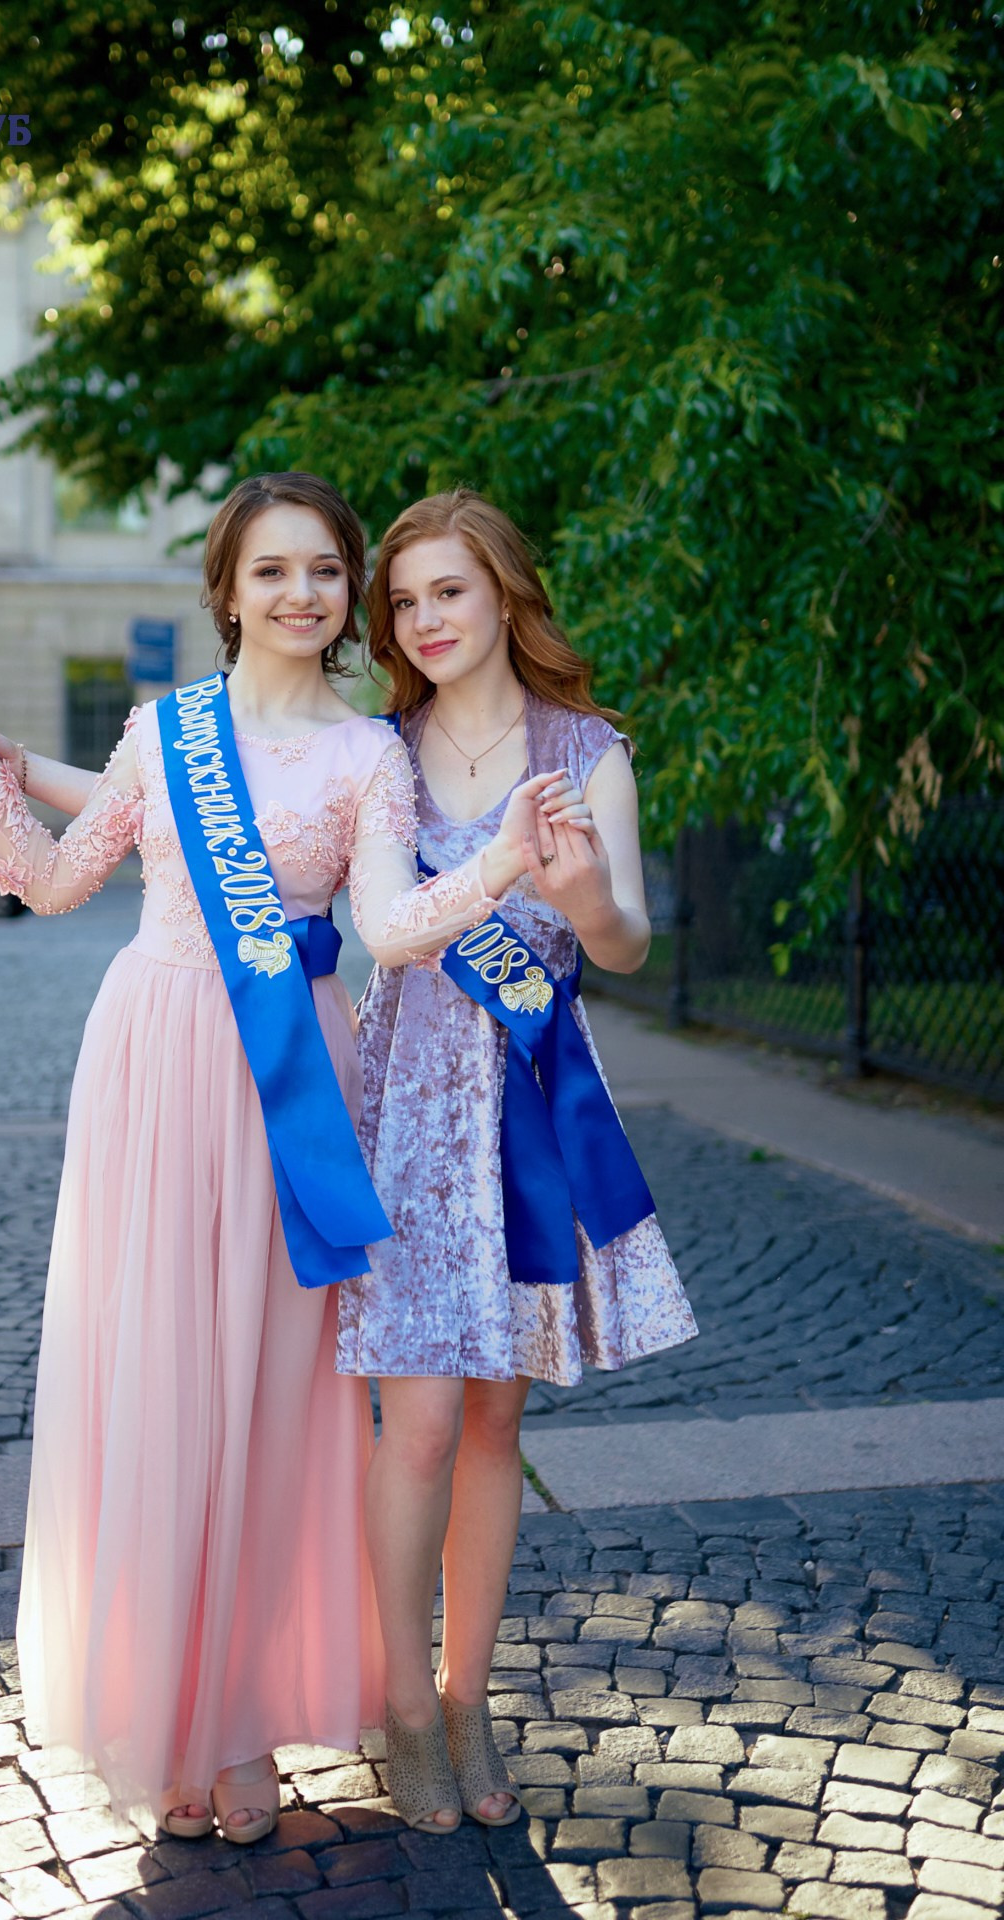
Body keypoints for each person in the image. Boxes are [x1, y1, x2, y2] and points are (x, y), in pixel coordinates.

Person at [0, 472, 574, 1845]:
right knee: (158, 1381)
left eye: (324, 570)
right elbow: (57, 879)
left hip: (293, 1084)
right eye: (271, 570)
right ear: (228, 589)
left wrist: (501, 864)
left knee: (272, 1394)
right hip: (152, 1062)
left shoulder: (367, 755)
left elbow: (386, 930)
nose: (300, 594)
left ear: (347, 590)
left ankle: (247, 1719)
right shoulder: (167, 734)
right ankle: (175, 1719)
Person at [338, 488, 698, 1831]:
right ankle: (401, 1703)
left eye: (451, 590)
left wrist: (586, 895)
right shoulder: (379, 751)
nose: (427, 618)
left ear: (503, 592)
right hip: (407, 1110)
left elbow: (626, 943)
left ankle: (466, 1697)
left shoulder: (587, 750)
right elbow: (377, 928)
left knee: (497, 1419)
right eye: (406, 600)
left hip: (529, 1103)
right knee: (421, 1422)